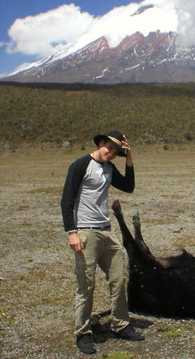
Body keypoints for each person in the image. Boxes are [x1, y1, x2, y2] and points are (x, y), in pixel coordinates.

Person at [60, 131, 145, 355]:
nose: (111, 153)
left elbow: (128, 186)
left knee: (119, 278)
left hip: (107, 231)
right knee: (86, 285)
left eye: (116, 151)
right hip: (86, 232)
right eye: (109, 148)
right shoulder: (80, 165)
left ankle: (121, 325)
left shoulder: (109, 168)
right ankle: (83, 333)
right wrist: (72, 233)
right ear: (100, 143)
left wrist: (129, 157)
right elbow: (66, 201)